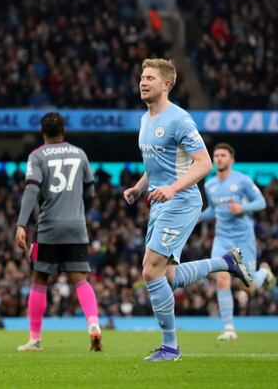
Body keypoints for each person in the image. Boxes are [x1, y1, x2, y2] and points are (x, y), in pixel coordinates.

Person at [122, 58, 251, 362]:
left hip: (181, 201)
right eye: (142, 76)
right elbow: (155, 165)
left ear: (166, 84)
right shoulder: (145, 119)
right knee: (166, 277)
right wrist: (141, 187)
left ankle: (170, 348)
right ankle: (225, 262)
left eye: (150, 78)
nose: (143, 82)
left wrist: (173, 188)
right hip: (160, 201)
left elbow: (204, 163)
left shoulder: (180, 119)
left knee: (150, 269)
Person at [15, 112, 102, 353]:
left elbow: (31, 191)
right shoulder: (80, 154)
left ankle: (35, 340)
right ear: (64, 131)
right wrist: (78, 208)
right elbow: (91, 193)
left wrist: (21, 223)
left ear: (43, 132)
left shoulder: (37, 156)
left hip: (49, 228)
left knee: (40, 280)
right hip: (77, 227)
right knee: (80, 280)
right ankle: (94, 325)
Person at [201, 143, 274, 341]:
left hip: (244, 240)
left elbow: (261, 202)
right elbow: (212, 211)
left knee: (247, 286)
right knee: (222, 277)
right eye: (216, 155)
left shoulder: (242, 180)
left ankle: (264, 273)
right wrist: (196, 217)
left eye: (223, 155)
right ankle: (229, 328)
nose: (218, 158)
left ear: (231, 159)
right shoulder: (210, 184)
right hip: (222, 238)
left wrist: (242, 207)